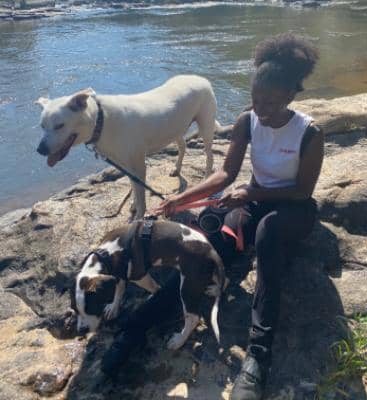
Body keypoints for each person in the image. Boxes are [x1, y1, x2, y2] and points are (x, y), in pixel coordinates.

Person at [102, 33, 324, 400]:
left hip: (292, 209)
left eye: (270, 102)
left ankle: (258, 357)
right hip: (254, 200)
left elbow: (302, 192)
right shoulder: (247, 120)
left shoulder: (309, 133)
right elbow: (225, 175)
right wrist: (181, 199)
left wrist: (251, 195)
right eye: (255, 99)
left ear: (290, 96)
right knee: (203, 247)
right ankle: (137, 327)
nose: (261, 109)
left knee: (267, 233)